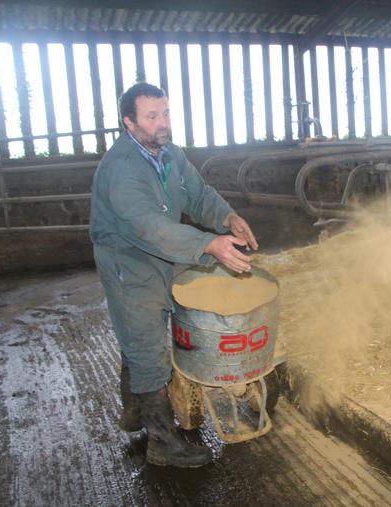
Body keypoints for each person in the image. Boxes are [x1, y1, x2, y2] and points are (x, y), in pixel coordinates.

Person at [90, 82, 257, 468]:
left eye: (165, 112)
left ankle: (135, 412)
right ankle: (162, 444)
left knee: (139, 334)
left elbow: (198, 194)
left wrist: (227, 218)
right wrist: (207, 244)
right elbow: (147, 225)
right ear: (129, 122)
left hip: (161, 253)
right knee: (147, 344)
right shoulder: (120, 168)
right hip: (127, 261)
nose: (162, 123)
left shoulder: (170, 155)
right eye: (152, 116)